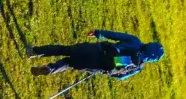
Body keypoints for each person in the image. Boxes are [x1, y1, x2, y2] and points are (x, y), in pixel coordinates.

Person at [28, 30, 164, 79]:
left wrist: (99, 33)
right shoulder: (138, 67)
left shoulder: (135, 41)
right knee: (69, 63)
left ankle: (34, 51)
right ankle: (50, 69)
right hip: (98, 65)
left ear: (150, 44)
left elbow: (116, 35)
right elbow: (121, 77)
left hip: (97, 50)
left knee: (65, 50)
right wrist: (107, 71)